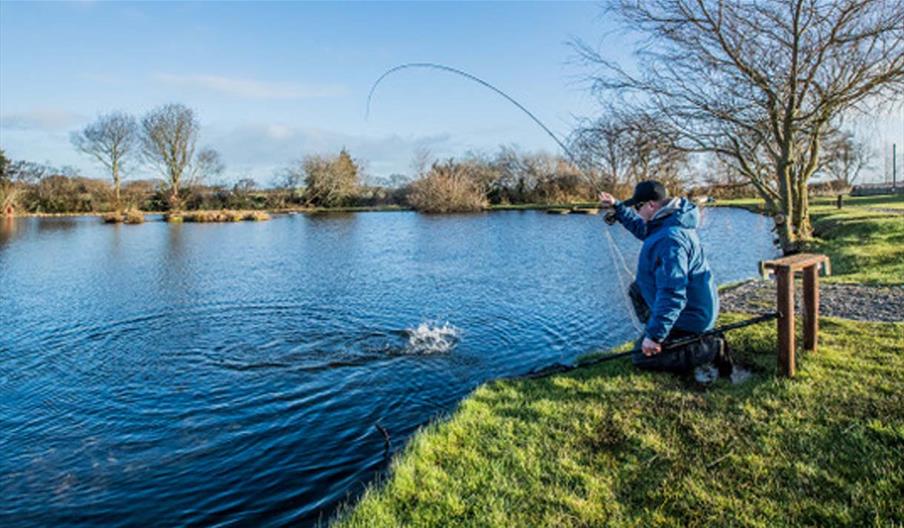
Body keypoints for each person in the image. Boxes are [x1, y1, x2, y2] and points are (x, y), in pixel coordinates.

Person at [599, 181, 726, 380]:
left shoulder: (670, 239)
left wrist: (654, 337)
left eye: (637, 207)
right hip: (692, 310)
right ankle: (663, 330)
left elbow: (673, 293)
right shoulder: (671, 220)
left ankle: (708, 347)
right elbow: (641, 227)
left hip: (692, 318)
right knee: (637, 289)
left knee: (641, 358)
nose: (636, 211)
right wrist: (617, 205)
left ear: (650, 205)